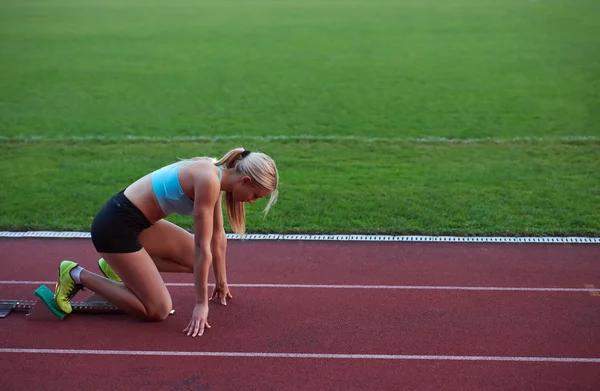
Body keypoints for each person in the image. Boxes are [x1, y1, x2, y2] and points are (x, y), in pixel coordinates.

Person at [53, 147, 279, 337]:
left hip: (138, 224)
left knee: (195, 260)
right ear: (246, 180)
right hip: (114, 228)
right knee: (158, 310)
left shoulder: (216, 174)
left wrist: (221, 282)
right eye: (255, 196)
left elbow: (218, 236)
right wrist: (201, 304)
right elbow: (203, 246)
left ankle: (118, 267)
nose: (251, 202)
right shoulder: (208, 180)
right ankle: (76, 274)